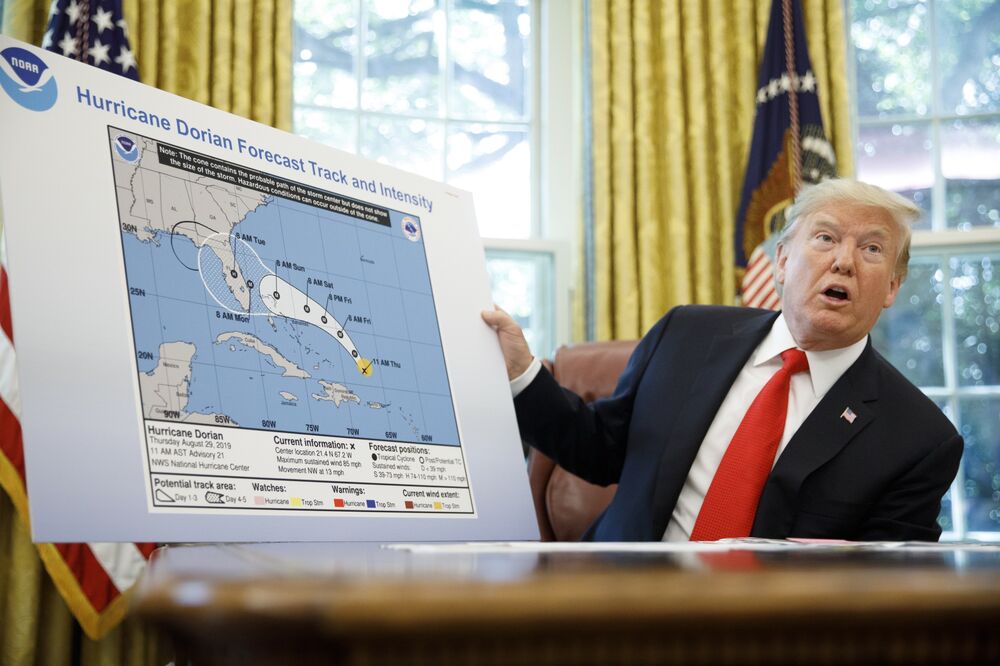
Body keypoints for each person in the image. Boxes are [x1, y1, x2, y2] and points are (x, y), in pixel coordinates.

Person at [482, 179, 963, 542]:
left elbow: (885, 590)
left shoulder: (919, 438)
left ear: (893, 288)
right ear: (780, 260)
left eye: (872, 248)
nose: (843, 262)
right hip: (615, 608)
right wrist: (523, 372)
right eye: (824, 238)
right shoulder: (686, 334)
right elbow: (600, 448)